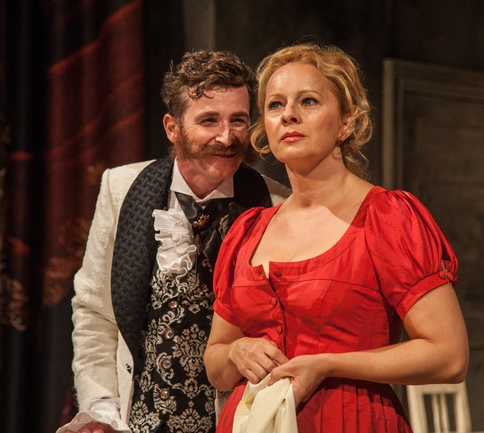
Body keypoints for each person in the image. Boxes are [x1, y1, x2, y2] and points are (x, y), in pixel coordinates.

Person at [203, 42, 470, 432]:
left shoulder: (386, 217)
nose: (288, 114)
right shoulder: (248, 231)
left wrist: (328, 364)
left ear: (346, 122)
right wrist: (237, 352)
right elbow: (216, 365)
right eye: (275, 105)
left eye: (308, 101)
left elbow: (449, 357)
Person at [57, 50, 290, 433]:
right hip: (138, 419)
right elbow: (95, 313)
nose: (226, 137)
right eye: (209, 120)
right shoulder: (121, 188)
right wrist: (102, 408)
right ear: (172, 127)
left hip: (231, 420)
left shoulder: (276, 204)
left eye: (238, 120)